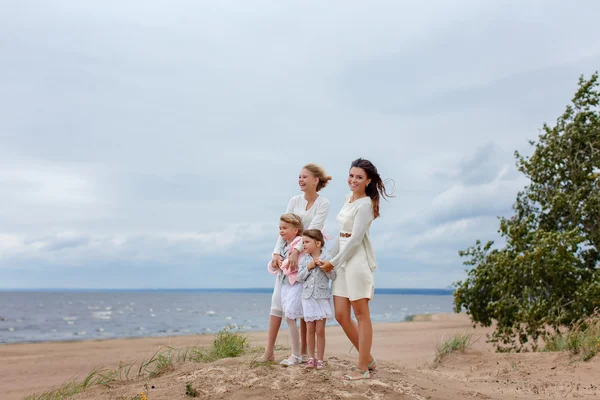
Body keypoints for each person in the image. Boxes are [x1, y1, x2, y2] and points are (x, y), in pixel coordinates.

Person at [320, 158, 393, 380]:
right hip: (341, 260)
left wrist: (334, 262)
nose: (353, 180)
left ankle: (362, 368)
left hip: (357, 262)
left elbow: (354, 241)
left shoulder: (366, 205)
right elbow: (342, 234)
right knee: (341, 315)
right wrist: (328, 256)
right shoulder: (348, 199)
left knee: (361, 315)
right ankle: (368, 358)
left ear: (368, 180)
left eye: (359, 177)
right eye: (351, 175)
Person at [262, 164, 332, 363]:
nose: (300, 180)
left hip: (306, 257)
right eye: (299, 177)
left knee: (302, 309)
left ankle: (302, 354)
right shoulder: (294, 200)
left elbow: (313, 231)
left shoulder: (323, 203)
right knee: (277, 303)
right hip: (288, 256)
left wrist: (296, 252)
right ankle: (269, 352)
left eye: (304, 177)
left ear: (315, 180)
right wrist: (277, 253)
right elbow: (284, 227)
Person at [267, 213, 305, 366]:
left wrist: (284, 263)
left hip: (295, 285)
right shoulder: (283, 244)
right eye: (280, 228)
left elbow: (297, 265)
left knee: (290, 316)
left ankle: (297, 355)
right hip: (285, 285)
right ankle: (296, 354)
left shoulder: (299, 243)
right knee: (289, 317)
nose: (281, 231)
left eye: (285, 228)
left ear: (295, 230)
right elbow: (276, 267)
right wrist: (275, 263)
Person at [296, 229, 336, 370]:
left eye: (307, 242)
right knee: (309, 330)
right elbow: (299, 278)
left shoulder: (328, 257)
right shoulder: (304, 260)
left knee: (320, 331)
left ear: (318, 243)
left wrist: (325, 267)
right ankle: (311, 357)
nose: (304, 245)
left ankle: (320, 359)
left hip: (321, 298)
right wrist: (309, 267)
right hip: (307, 298)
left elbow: (333, 276)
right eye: (303, 242)